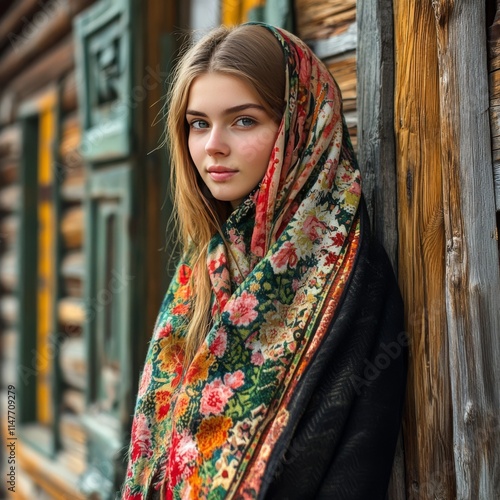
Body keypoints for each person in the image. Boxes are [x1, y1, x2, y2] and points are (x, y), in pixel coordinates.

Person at [122, 22, 407, 500]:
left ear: (298, 126)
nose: (212, 144)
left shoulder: (351, 276)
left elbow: (355, 471)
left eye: (243, 120)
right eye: (198, 123)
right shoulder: (205, 268)